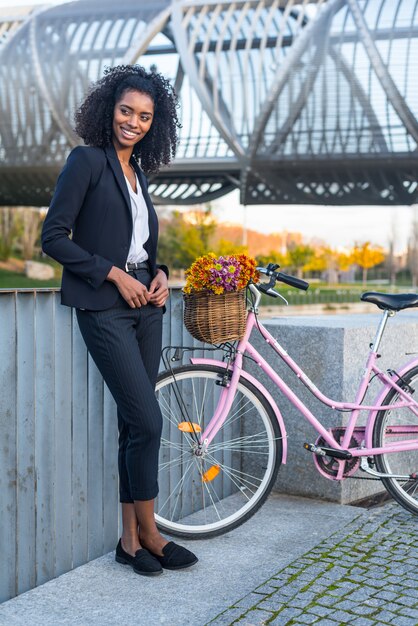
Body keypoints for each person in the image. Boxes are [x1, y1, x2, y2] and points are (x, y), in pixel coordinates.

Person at [42, 64, 198, 576]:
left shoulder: (139, 176)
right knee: (149, 420)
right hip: (105, 307)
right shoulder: (86, 161)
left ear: (157, 123)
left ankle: (128, 542)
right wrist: (113, 275)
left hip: (146, 307)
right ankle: (154, 535)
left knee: (135, 423)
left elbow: (144, 246)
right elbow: (55, 238)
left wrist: (160, 273)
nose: (134, 121)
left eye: (145, 116)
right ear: (109, 109)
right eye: (126, 110)